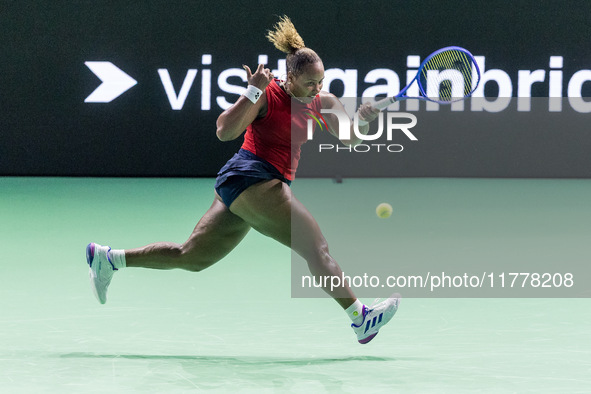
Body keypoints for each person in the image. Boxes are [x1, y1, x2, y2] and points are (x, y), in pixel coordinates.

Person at [86, 16, 400, 344]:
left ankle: (110, 259)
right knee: (316, 248)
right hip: (254, 177)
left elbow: (350, 138)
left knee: (191, 257)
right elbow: (224, 131)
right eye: (309, 83)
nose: (316, 89)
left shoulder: (323, 103)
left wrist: (365, 122)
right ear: (290, 77)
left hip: (243, 185)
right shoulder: (268, 95)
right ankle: (361, 318)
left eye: (320, 82)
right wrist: (252, 91)